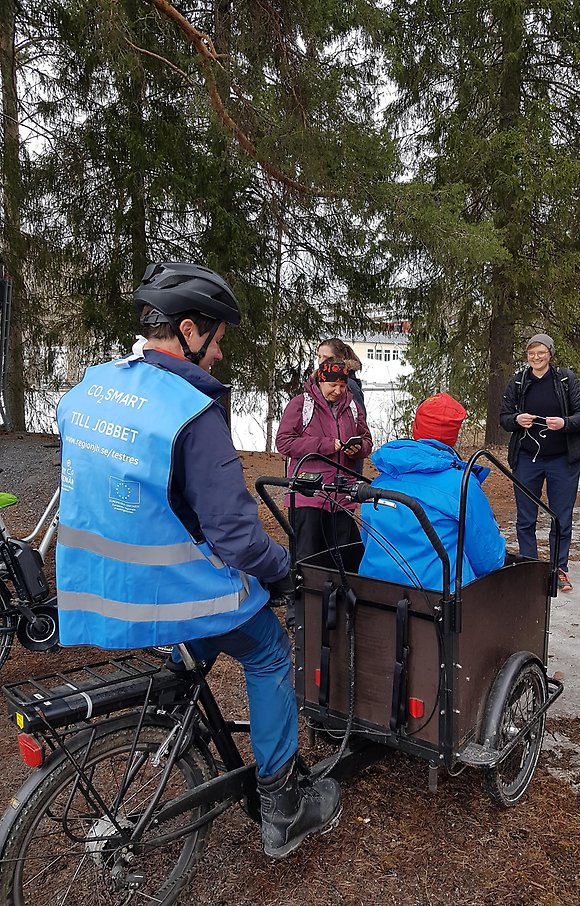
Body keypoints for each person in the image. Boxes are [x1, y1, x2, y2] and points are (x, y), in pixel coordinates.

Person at [55, 261, 340, 859]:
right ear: (189, 330)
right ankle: (283, 805)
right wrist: (282, 570)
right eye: (215, 342)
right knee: (266, 649)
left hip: (105, 584)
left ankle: (182, 709)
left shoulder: (97, 387)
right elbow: (236, 539)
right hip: (174, 584)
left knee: (212, 635)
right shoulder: (192, 410)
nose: (216, 358)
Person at [358, 392, 506, 590]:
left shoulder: (381, 481)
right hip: (440, 599)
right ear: (454, 435)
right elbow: (488, 559)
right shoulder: (462, 485)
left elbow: (368, 541)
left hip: (375, 592)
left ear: (415, 428)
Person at [275, 357, 373, 625]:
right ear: (320, 379)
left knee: (345, 555)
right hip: (308, 494)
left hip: (341, 496)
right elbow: (284, 442)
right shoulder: (301, 404)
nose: (338, 391)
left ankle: (340, 609)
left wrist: (358, 448)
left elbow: (367, 440)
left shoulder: (352, 405)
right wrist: (328, 444)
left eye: (342, 385)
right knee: (306, 556)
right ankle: (299, 613)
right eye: (332, 385)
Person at [499, 333, 580, 592]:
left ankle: (559, 570)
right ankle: (530, 567)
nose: (536, 358)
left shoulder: (565, 380)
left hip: (563, 459)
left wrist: (564, 423)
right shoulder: (518, 382)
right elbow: (504, 418)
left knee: (561, 518)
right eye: (531, 353)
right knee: (526, 518)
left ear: (550, 353)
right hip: (527, 459)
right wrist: (517, 419)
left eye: (541, 353)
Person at [317, 337, 366, 414]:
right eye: (319, 357)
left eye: (326, 357)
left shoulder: (349, 385)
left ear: (340, 358)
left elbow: (360, 418)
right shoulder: (317, 380)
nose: (320, 362)